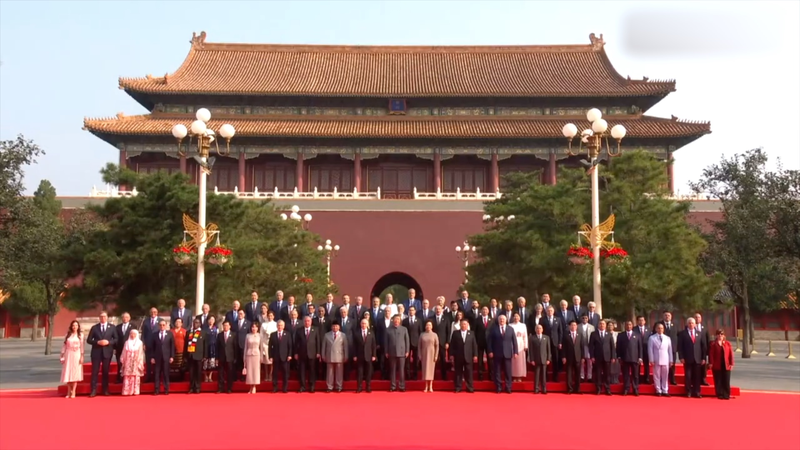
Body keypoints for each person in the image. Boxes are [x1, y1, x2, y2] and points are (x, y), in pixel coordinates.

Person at [87, 312, 117, 397]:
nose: (103, 318)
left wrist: (109, 342)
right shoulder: (94, 327)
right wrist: (97, 342)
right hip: (96, 352)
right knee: (95, 372)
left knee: (105, 371)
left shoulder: (112, 327)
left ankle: (105, 390)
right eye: (101, 317)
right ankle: (93, 390)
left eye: (104, 316)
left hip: (107, 352)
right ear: (99, 318)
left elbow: (116, 339)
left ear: (107, 317)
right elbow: (89, 340)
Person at [678, 317, 707, 398]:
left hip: (698, 358)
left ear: (695, 324)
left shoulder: (700, 333)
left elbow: (703, 346)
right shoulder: (682, 334)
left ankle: (697, 392)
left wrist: (703, 358)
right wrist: (681, 357)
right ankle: (688, 392)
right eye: (689, 323)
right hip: (687, 358)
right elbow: (680, 347)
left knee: (697, 376)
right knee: (688, 376)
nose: (691, 324)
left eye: (692, 323)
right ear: (687, 324)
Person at [488, 314, 518, 394]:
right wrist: (490, 351)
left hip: (507, 353)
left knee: (508, 372)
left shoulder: (510, 329)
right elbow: (489, 341)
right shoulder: (494, 329)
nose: (502, 320)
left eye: (503, 319)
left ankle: (508, 387)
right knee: (497, 371)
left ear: (506, 320)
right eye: (500, 319)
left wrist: (515, 352)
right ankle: (498, 387)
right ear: (498, 321)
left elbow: (514, 341)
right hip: (497, 353)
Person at [449, 318, 477, 393]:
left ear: (467, 325)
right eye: (462, 324)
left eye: (465, 324)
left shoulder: (471, 333)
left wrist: (475, 355)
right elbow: (452, 344)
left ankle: (470, 387)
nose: (463, 325)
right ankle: (458, 387)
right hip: (458, 356)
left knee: (469, 373)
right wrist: (451, 354)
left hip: (468, 356)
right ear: (460, 325)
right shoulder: (455, 333)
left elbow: (474, 345)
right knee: (458, 373)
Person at [616, 320, 643, 396]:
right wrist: (619, 356)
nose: (628, 326)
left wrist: (640, 357)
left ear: (632, 326)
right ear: (625, 326)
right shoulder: (621, 335)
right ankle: (626, 389)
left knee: (635, 375)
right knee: (626, 375)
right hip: (624, 358)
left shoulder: (637, 335)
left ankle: (635, 389)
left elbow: (640, 347)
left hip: (635, 358)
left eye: (630, 325)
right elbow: (618, 347)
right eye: (627, 325)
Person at [295, 316, 321, 393]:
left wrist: (318, 352)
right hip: (302, 353)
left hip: (312, 353)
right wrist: (296, 353)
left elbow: (318, 341)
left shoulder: (315, 329)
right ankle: (302, 386)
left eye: (308, 321)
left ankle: (312, 386)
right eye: (305, 321)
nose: (307, 322)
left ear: (311, 322)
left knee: (312, 370)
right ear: (303, 322)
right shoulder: (299, 330)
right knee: (302, 371)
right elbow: (296, 343)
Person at [384, 315, 410, 392]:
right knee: (392, 370)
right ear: (393, 320)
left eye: (398, 319)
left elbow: (407, 341)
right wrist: (386, 351)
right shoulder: (388, 330)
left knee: (401, 370)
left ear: (400, 320)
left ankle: (402, 386)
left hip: (402, 352)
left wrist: (407, 350)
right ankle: (393, 386)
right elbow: (386, 342)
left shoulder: (404, 329)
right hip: (391, 352)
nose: (396, 320)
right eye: (395, 319)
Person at [648, 323, 674, 397]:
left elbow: (670, 350)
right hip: (656, 359)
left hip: (665, 359)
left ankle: (665, 390)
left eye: (662, 328)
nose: (660, 329)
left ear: (663, 329)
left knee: (665, 375)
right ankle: (658, 390)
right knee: (657, 375)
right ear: (656, 329)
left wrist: (671, 360)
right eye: (659, 328)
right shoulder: (652, 338)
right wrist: (651, 359)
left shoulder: (667, 338)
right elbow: (650, 349)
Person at [589, 320, 614, 396]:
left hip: (607, 357)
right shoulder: (593, 334)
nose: (602, 325)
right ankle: (598, 389)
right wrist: (592, 356)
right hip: (597, 357)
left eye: (603, 324)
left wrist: (613, 357)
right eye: (600, 324)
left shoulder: (609, 334)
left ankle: (607, 389)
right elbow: (591, 346)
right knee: (598, 374)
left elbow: (612, 346)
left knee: (607, 374)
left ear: (605, 325)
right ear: (598, 325)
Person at [60, 320, 84, 398]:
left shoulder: (80, 335)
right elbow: (64, 345)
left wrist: (82, 356)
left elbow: (82, 347)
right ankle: (68, 391)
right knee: (68, 372)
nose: (75, 327)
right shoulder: (67, 335)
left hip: (76, 354)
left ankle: (73, 391)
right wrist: (62, 355)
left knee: (75, 372)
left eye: (76, 325)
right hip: (68, 354)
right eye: (73, 325)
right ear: (71, 326)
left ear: (78, 326)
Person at [708, 328, 734, 400]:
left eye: (721, 334)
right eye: (718, 334)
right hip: (717, 365)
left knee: (726, 380)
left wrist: (731, 363)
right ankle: (719, 394)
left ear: (724, 335)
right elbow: (711, 354)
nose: (720, 335)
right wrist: (711, 363)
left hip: (726, 365)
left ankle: (726, 394)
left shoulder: (727, 343)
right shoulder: (713, 344)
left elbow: (731, 354)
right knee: (718, 380)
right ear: (716, 335)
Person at [322, 322, 348, 393]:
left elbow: (345, 347)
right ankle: (329, 387)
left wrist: (346, 356)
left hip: (340, 356)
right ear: (331, 327)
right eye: (333, 326)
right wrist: (323, 355)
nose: (335, 327)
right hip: (329, 355)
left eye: (336, 326)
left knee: (339, 373)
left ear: (339, 327)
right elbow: (324, 346)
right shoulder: (327, 335)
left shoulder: (343, 335)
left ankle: (339, 386)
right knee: (329, 373)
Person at [655, 311, 679, 385]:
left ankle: (672, 379)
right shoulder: (658, 324)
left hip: (672, 348)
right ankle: (661, 379)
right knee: (662, 365)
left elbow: (678, 336)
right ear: (663, 316)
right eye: (665, 315)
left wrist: (677, 347)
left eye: (668, 315)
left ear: (671, 316)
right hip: (661, 348)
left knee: (672, 364)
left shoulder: (675, 325)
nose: (667, 316)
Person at [268, 320, 292, 393]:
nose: (280, 327)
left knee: (285, 373)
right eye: (278, 325)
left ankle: (285, 388)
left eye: (281, 325)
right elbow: (270, 346)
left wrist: (289, 355)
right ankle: (275, 387)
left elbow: (290, 346)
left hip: (285, 357)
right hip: (275, 357)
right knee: (275, 373)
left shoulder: (287, 334)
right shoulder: (273, 334)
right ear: (276, 326)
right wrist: (270, 356)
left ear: (283, 326)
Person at [353, 318, 376, 393]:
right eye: (362, 323)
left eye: (365, 323)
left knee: (368, 372)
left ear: (367, 324)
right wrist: (354, 355)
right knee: (360, 373)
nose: (363, 325)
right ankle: (359, 387)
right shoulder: (357, 333)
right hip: (359, 356)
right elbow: (354, 345)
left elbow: (373, 345)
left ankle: (368, 387)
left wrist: (374, 355)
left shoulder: (371, 333)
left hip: (369, 355)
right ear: (360, 324)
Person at [119, 329, 145, 396]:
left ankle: (135, 391)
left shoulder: (140, 343)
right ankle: (126, 391)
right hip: (128, 360)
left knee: (135, 376)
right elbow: (124, 351)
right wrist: (123, 359)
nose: (132, 335)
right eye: (131, 334)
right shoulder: (127, 342)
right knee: (127, 376)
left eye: (134, 334)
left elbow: (140, 353)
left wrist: (139, 361)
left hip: (136, 361)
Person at [152, 320, 174, 395]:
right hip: (157, 357)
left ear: (166, 325)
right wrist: (152, 357)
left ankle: (166, 389)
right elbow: (152, 347)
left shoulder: (170, 334)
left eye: (163, 325)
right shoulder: (154, 334)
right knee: (157, 374)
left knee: (166, 374)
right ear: (159, 326)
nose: (162, 326)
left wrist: (172, 356)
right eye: (160, 325)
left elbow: (172, 346)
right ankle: (156, 390)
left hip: (166, 357)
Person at [561, 320, 584, 394]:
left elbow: (582, 346)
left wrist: (583, 357)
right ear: (569, 326)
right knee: (569, 374)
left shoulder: (580, 334)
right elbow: (564, 347)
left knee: (578, 374)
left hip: (578, 357)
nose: (573, 326)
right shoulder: (566, 335)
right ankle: (570, 389)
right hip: (569, 357)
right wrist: (563, 357)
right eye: (572, 325)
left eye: (575, 325)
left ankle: (577, 389)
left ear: (577, 326)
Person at [528, 324, 550, 394]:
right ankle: (536, 389)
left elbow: (548, 349)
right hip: (536, 359)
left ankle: (544, 389)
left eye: (540, 328)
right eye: (537, 328)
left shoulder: (546, 337)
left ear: (542, 330)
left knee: (543, 375)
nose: (539, 329)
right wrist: (532, 359)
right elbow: (531, 350)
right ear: (535, 330)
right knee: (537, 375)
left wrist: (548, 359)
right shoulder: (532, 338)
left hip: (544, 359)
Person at [185, 318, 206, 394]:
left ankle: (197, 387)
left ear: (200, 324)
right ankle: (191, 387)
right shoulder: (188, 332)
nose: (195, 324)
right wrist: (185, 355)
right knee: (191, 373)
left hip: (199, 356)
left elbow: (205, 345)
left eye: (197, 322)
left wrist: (205, 356)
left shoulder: (203, 333)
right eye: (194, 322)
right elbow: (185, 345)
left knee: (198, 373)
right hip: (190, 355)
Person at [217, 320, 238, 394]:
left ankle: (229, 388)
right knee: (220, 373)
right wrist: (217, 358)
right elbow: (217, 347)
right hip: (221, 357)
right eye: (224, 325)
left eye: (227, 325)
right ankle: (220, 388)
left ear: (230, 326)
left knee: (230, 373)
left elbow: (235, 347)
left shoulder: (234, 335)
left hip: (230, 357)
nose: (225, 327)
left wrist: (235, 357)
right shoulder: (219, 335)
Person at [418, 320, 439, 393]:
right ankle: (426, 386)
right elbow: (419, 346)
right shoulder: (422, 334)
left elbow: (437, 346)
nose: (428, 326)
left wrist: (436, 355)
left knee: (431, 370)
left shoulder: (435, 335)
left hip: (432, 354)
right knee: (425, 370)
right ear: (425, 326)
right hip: (424, 354)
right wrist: (419, 355)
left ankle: (431, 386)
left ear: (432, 326)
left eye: (430, 325)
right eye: (427, 325)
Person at [474, 306, 493, 381]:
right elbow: (474, 331)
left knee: (490, 360)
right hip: (480, 342)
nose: (484, 311)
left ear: (488, 311)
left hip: (489, 342)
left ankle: (491, 375)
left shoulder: (492, 320)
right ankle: (480, 375)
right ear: (481, 311)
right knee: (480, 360)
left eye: (486, 310)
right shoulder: (477, 320)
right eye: (483, 310)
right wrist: (475, 341)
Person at [141, 307, 160, 383]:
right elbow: (143, 333)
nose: (153, 313)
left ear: (157, 313)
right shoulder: (146, 321)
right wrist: (143, 343)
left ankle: (156, 378)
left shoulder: (161, 320)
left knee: (157, 361)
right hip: (148, 344)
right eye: (152, 312)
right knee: (148, 361)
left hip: (157, 345)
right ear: (150, 313)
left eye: (155, 312)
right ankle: (148, 377)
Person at [114, 313, 134, 384]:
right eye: (124, 317)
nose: (125, 319)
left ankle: (128, 379)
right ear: (122, 318)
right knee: (120, 364)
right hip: (119, 348)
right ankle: (119, 378)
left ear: (129, 318)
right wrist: (114, 348)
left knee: (128, 364)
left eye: (127, 317)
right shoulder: (117, 327)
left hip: (130, 348)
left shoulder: (133, 326)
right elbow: (115, 338)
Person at [403, 306, 422, 380]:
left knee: (415, 360)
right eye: (410, 310)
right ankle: (407, 375)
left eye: (412, 310)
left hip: (416, 343)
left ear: (415, 311)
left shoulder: (419, 320)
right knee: (407, 360)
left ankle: (415, 375)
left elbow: (420, 332)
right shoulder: (405, 321)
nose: (411, 312)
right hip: (407, 343)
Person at [243, 321, 262, 394]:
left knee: (256, 371)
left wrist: (261, 357)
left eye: (255, 327)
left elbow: (261, 348)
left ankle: (254, 386)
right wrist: (244, 357)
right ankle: (250, 386)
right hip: (249, 354)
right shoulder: (248, 335)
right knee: (250, 372)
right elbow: (245, 347)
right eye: (253, 327)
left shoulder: (260, 336)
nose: (254, 328)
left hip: (257, 355)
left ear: (258, 328)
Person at [259, 310, 277, 382]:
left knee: (272, 361)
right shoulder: (263, 324)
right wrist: (261, 344)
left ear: (273, 316)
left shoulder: (276, 324)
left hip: (273, 344)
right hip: (265, 344)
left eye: (271, 316)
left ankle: (270, 374)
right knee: (266, 361)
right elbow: (261, 335)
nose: (270, 317)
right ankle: (266, 374)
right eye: (269, 316)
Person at [509, 313, 528, 382]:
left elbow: (525, 336)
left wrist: (526, 345)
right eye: (515, 316)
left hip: (521, 345)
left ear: (519, 318)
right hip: (512, 345)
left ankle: (520, 376)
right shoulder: (510, 325)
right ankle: (514, 376)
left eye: (517, 316)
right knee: (513, 362)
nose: (516, 318)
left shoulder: (523, 325)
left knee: (520, 362)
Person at [634, 315, 652, 384]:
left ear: (645, 321)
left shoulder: (649, 329)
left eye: (642, 320)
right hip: (637, 349)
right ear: (637, 321)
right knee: (637, 365)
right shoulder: (634, 329)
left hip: (646, 349)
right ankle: (637, 379)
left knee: (646, 365)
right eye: (639, 320)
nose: (641, 321)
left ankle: (647, 378)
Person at [578, 314, 595, 382]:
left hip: (589, 346)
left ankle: (589, 376)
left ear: (588, 319)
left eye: (586, 318)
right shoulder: (578, 326)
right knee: (581, 362)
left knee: (589, 362)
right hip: (580, 346)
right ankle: (581, 376)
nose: (584, 319)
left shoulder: (592, 327)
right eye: (583, 318)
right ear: (581, 319)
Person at [203, 316, 219, 382]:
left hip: (213, 347)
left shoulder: (216, 328)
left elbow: (217, 338)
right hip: (206, 347)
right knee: (205, 363)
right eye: (210, 319)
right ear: (207, 320)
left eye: (213, 319)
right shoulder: (204, 328)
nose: (211, 321)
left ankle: (210, 376)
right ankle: (205, 376)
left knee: (212, 363)